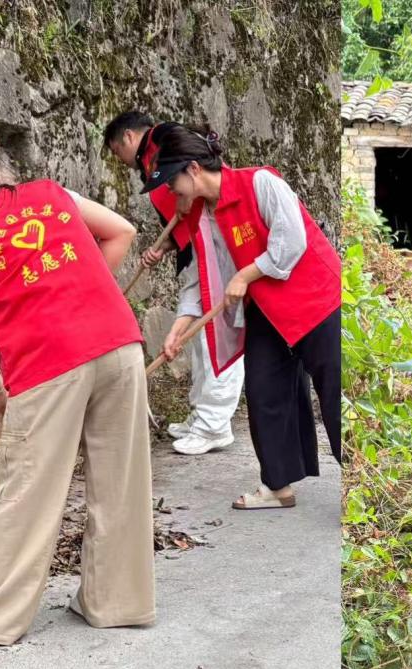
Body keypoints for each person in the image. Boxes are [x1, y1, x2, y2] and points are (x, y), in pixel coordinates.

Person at [0, 145, 155, 646]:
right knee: (120, 481)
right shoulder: (50, 193)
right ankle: (117, 604)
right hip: (119, 345)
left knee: (26, 492)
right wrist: (81, 296)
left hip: (49, 366)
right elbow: (122, 231)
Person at [141, 124, 340, 510]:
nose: (171, 192)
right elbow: (207, 278)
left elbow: (291, 241)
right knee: (265, 391)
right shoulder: (203, 216)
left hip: (314, 300)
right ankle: (277, 486)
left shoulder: (260, 183)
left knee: (333, 393)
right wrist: (181, 325)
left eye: (172, 181)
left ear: (194, 170)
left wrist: (246, 274)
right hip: (266, 310)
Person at [104, 112, 245, 456]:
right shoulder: (151, 158)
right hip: (194, 250)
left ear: (126, 138)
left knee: (216, 332)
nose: (120, 161)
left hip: (213, 246)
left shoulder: (166, 137)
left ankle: (215, 424)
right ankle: (202, 415)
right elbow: (178, 219)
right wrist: (163, 247)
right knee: (196, 339)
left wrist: (187, 203)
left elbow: (200, 184)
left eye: (115, 151)